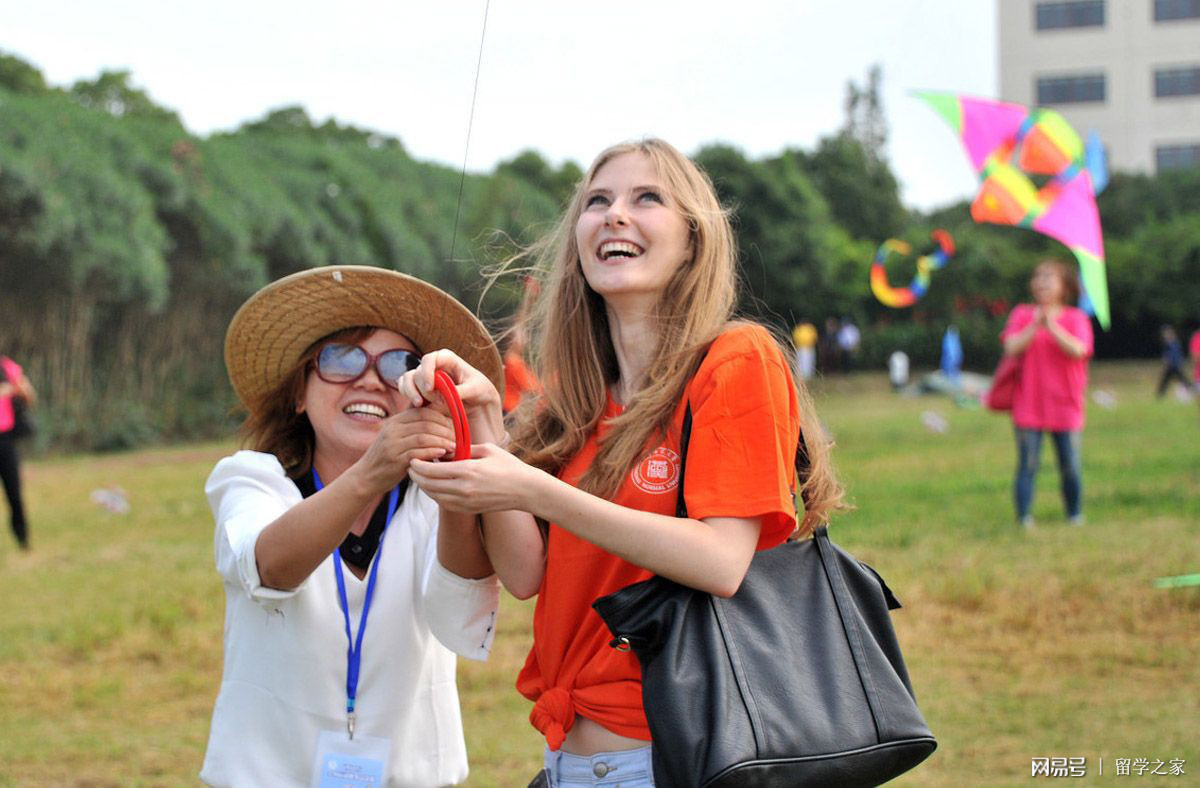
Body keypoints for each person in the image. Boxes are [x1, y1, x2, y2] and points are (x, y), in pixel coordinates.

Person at [399, 139, 845, 786]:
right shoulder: (572, 406)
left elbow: (720, 561)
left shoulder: (734, 359)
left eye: (647, 199)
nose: (614, 215)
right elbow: (526, 575)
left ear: (693, 240)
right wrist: (484, 425)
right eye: (598, 201)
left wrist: (531, 487)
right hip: (566, 761)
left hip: (671, 760)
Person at [201, 265, 503, 787]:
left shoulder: (431, 502)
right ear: (299, 392)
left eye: (399, 365)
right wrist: (373, 471)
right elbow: (268, 566)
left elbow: (461, 610)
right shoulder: (251, 480)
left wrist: (456, 458)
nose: (368, 379)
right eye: (341, 358)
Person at [1000, 260, 1093, 529]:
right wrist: (1034, 325)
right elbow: (1011, 348)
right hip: (1029, 403)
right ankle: (1024, 518)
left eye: (1048, 277)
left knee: (1070, 464)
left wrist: (1052, 325)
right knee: (1027, 463)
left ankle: (1074, 514)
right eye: (1037, 276)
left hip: (1066, 404)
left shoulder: (1076, 318)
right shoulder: (1021, 314)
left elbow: (1079, 350)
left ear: (1064, 286)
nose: (1041, 282)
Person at [0, 354, 35, 550]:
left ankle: (22, 539)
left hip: (5, 440)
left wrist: (19, 389)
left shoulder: (7, 367)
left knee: (14, 493)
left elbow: (30, 396)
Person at [1155, 326, 1190, 399]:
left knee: (1183, 379)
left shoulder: (1175, 343)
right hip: (1170, 366)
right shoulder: (1167, 344)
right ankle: (1160, 395)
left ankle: (1191, 390)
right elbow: (1165, 356)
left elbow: (1178, 354)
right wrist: (1166, 363)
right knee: (1165, 380)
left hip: (1176, 365)